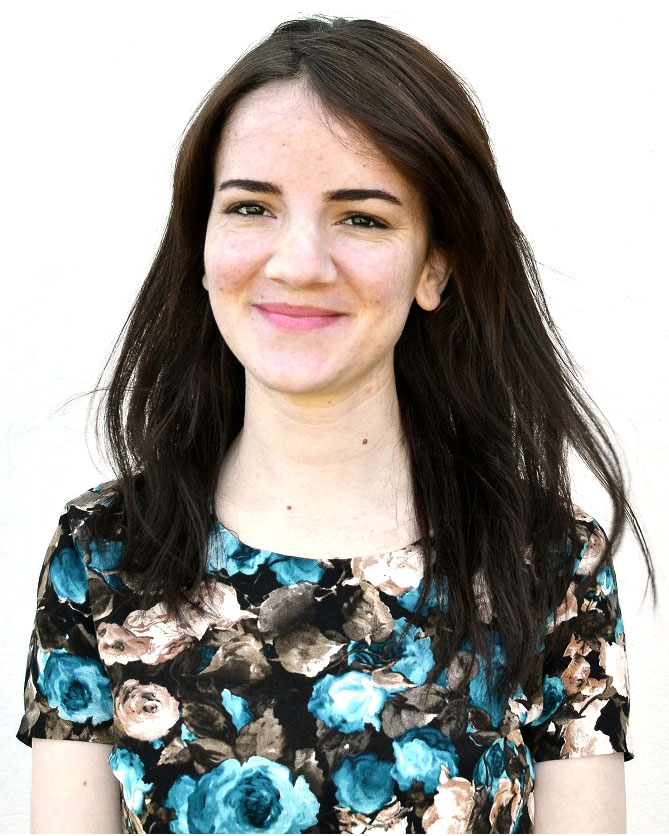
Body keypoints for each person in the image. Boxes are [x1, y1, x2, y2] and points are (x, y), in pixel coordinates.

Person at [18, 15, 654, 835]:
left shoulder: (546, 560)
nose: (297, 263)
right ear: (202, 244)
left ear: (435, 265)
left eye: (362, 218)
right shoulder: (102, 554)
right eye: (250, 207)